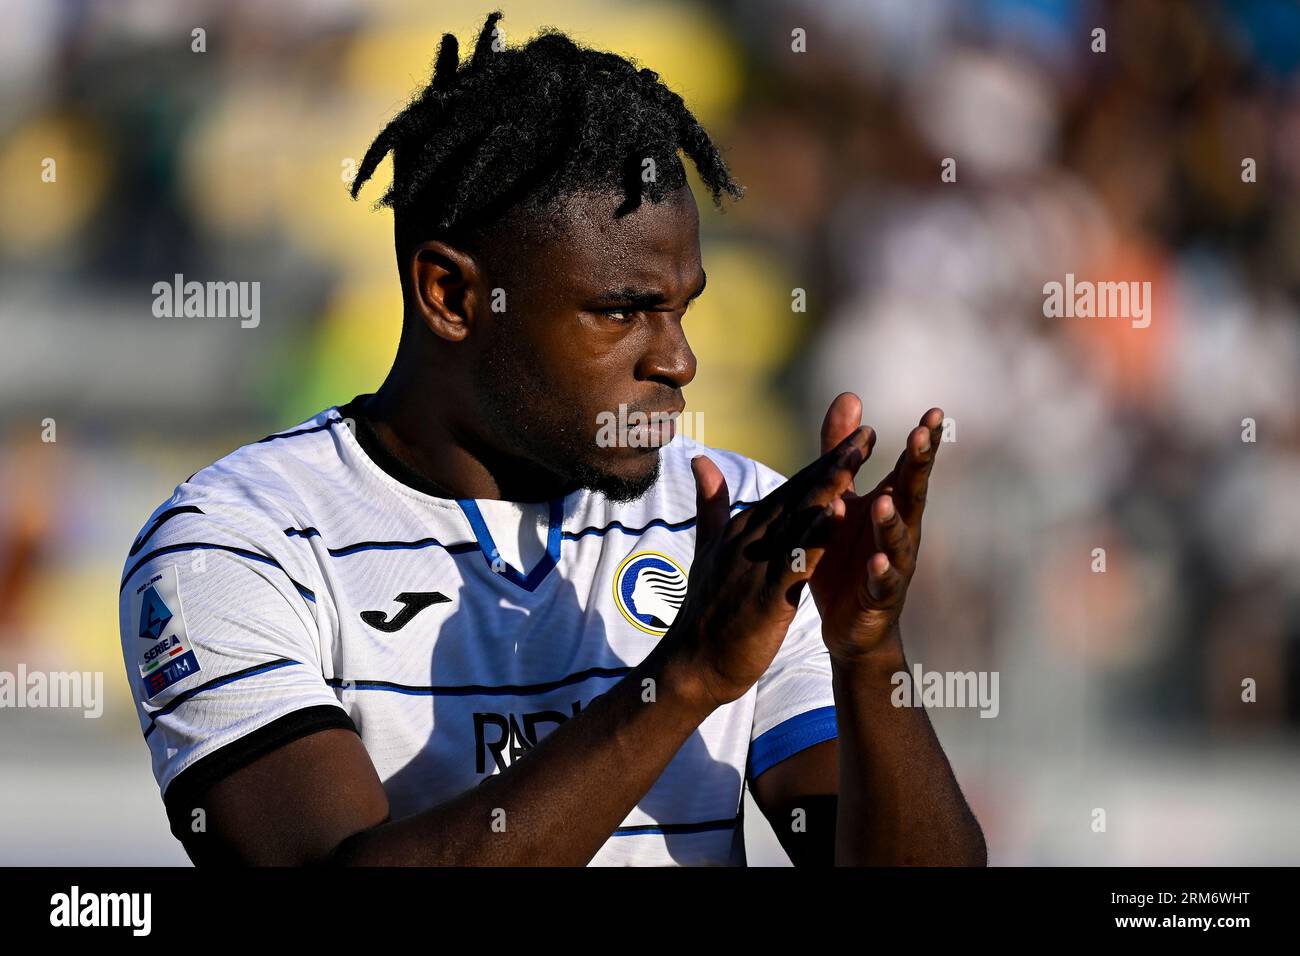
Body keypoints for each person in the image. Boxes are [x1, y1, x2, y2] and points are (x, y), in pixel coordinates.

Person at [117, 12, 985, 866]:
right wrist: (678, 681)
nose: (680, 361)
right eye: (622, 311)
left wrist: (868, 654)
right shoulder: (234, 542)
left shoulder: (737, 524)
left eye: (683, 308)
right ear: (452, 297)